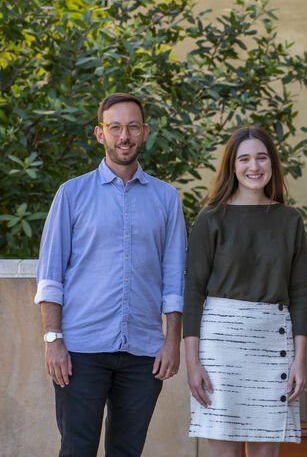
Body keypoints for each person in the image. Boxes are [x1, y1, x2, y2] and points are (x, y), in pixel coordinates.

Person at [35, 92, 186, 456]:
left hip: (143, 352)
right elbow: (51, 275)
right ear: (99, 133)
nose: (125, 136)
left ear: (145, 132)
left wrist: (171, 341)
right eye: (115, 127)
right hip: (81, 351)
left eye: (133, 126)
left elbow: (174, 278)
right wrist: (53, 340)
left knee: (127, 451)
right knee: (77, 449)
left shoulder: (166, 199)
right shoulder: (71, 195)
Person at [183, 126, 307, 457]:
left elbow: (299, 294)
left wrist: (300, 360)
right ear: (232, 166)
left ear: (272, 164)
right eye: (245, 159)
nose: (254, 167)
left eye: (261, 157)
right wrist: (192, 362)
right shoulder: (210, 219)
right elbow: (193, 293)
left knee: (265, 454)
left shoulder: (289, 219)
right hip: (220, 348)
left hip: (273, 344)